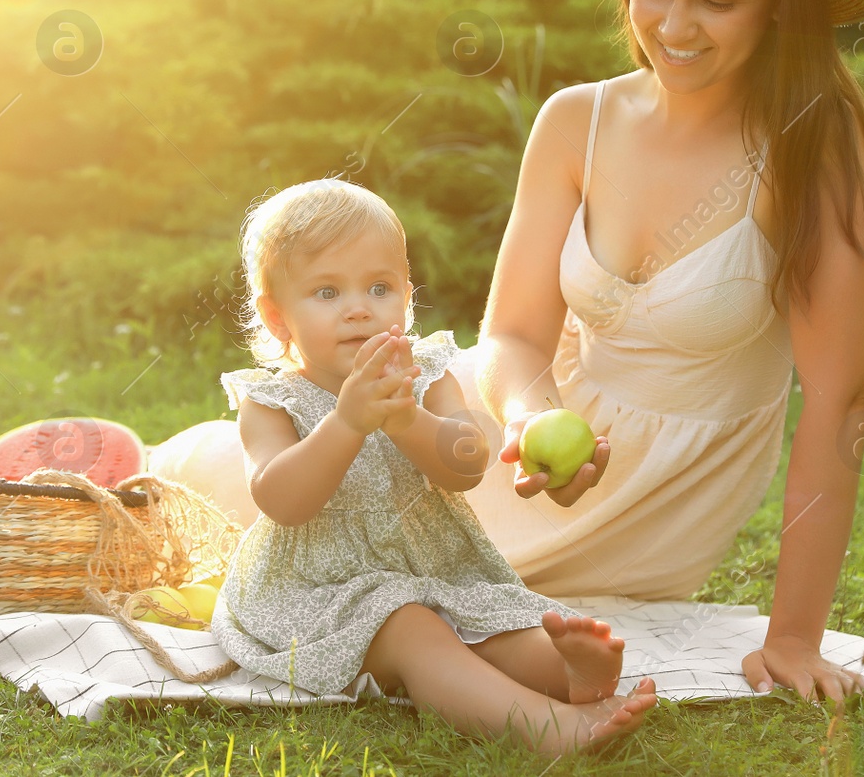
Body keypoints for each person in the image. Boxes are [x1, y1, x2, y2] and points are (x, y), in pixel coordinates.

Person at [450, 0, 864, 705]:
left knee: (399, 585)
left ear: (783, 1)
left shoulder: (811, 151)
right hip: (514, 450)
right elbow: (509, 333)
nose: (675, 26)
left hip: (654, 506)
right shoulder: (576, 120)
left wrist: (793, 637)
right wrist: (528, 418)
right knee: (280, 497)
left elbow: (843, 401)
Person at [206, 178, 657, 757]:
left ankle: (568, 673)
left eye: (379, 287)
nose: (358, 309)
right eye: (326, 292)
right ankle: (550, 730)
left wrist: (405, 421)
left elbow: (465, 465)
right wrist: (346, 422)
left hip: (439, 567)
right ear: (277, 318)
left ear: (407, 298)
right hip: (325, 591)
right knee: (415, 630)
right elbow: (281, 499)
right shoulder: (272, 401)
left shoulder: (426, 372)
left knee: (486, 624)